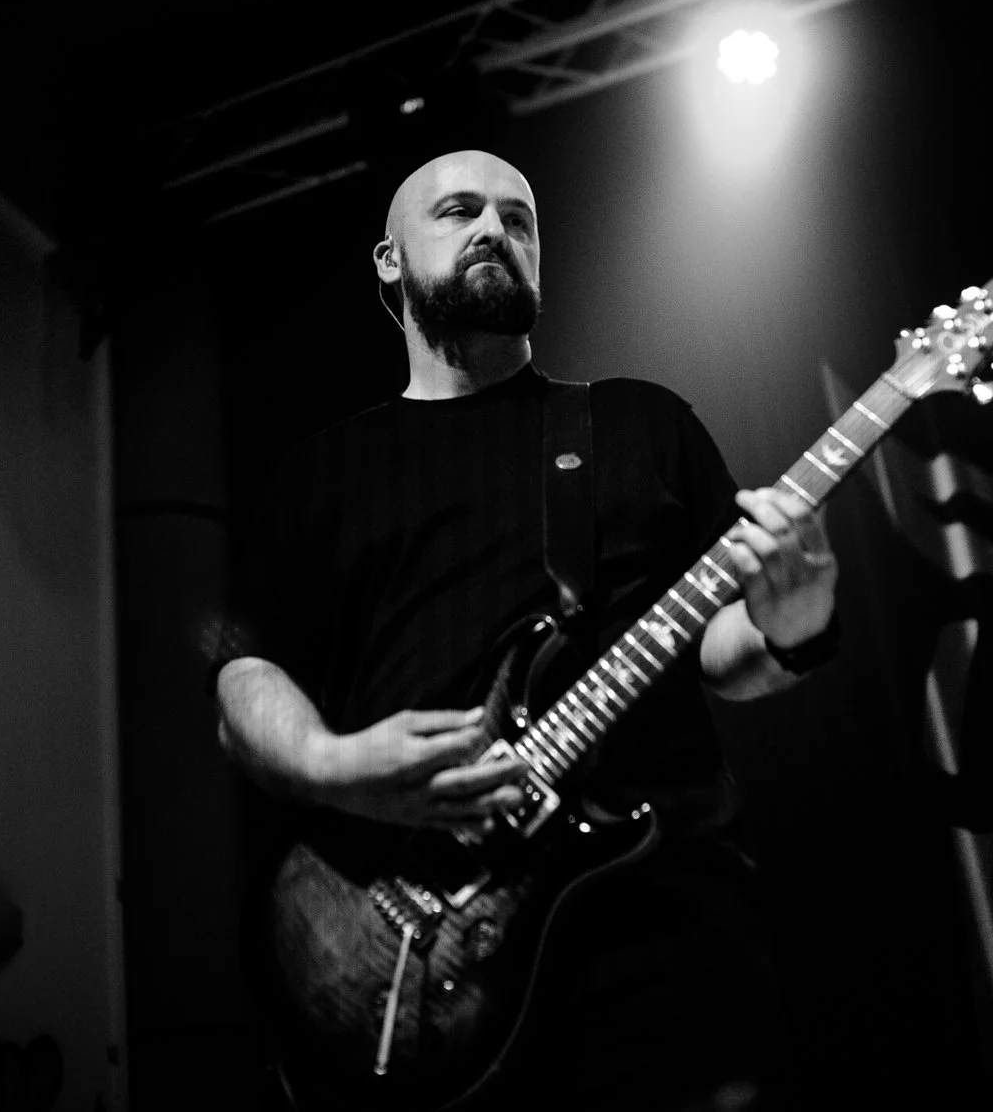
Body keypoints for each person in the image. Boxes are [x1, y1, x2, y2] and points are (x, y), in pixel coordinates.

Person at [212, 146, 840, 1111]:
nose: (492, 230)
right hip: (418, 938)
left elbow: (722, 650)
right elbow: (247, 677)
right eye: (459, 211)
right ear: (389, 260)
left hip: (656, 918)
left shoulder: (638, 423)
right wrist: (336, 766)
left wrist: (789, 629)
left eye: (518, 217)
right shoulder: (321, 474)